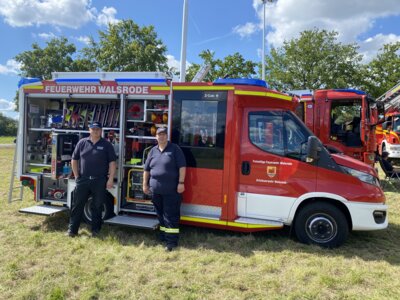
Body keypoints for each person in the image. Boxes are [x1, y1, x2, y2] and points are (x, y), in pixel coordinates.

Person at [67, 121, 117, 237]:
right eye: (93, 129)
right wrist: (77, 176)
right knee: (77, 205)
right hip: (83, 179)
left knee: (97, 206)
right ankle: (72, 230)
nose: (95, 131)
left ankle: (95, 231)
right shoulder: (82, 143)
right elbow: (74, 159)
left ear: (101, 130)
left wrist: (110, 179)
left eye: (98, 129)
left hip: (99, 180)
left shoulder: (106, 144)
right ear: (89, 130)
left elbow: (112, 163)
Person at [143, 127, 186, 251]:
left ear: (167, 136)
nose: (161, 136)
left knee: (170, 216)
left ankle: (171, 243)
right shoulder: (152, 151)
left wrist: (181, 183)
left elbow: (182, 167)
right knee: (160, 215)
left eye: (163, 134)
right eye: (159, 134)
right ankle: (163, 237)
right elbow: (146, 170)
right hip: (156, 191)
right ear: (155, 137)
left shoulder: (175, 149)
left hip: (171, 190)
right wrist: (145, 184)